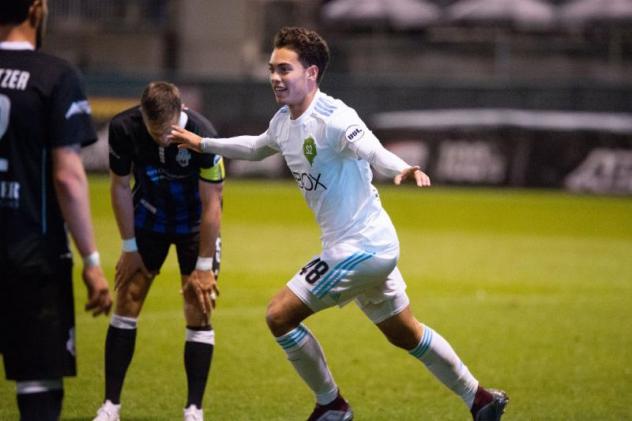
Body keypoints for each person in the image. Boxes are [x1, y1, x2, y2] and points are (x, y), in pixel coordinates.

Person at [171, 26, 509, 421]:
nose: (275, 78)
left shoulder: (335, 116)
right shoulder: (283, 121)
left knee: (279, 315)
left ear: (311, 73)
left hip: (362, 247)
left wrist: (402, 167)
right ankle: (480, 399)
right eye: (272, 70)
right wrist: (204, 144)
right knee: (405, 332)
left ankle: (332, 405)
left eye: (285, 70)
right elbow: (256, 146)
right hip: (365, 248)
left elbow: (372, 149)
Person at [0, 1, 113, 420]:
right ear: (34, 9)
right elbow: (68, 177)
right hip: (32, 255)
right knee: (38, 388)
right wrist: (92, 261)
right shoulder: (55, 75)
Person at [93, 81, 224, 421]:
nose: (164, 138)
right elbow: (120, 186)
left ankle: (194, 409)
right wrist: (128, 246)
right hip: (148, 220)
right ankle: (110, 406)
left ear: (181, 113)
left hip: (195, 228)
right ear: (142, 116)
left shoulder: (203, 134)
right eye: (156, 132)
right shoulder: (124, 128)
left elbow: (213, 203)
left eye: (169, 131)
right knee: (127, 302)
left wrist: (205, 264)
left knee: (198, 307)